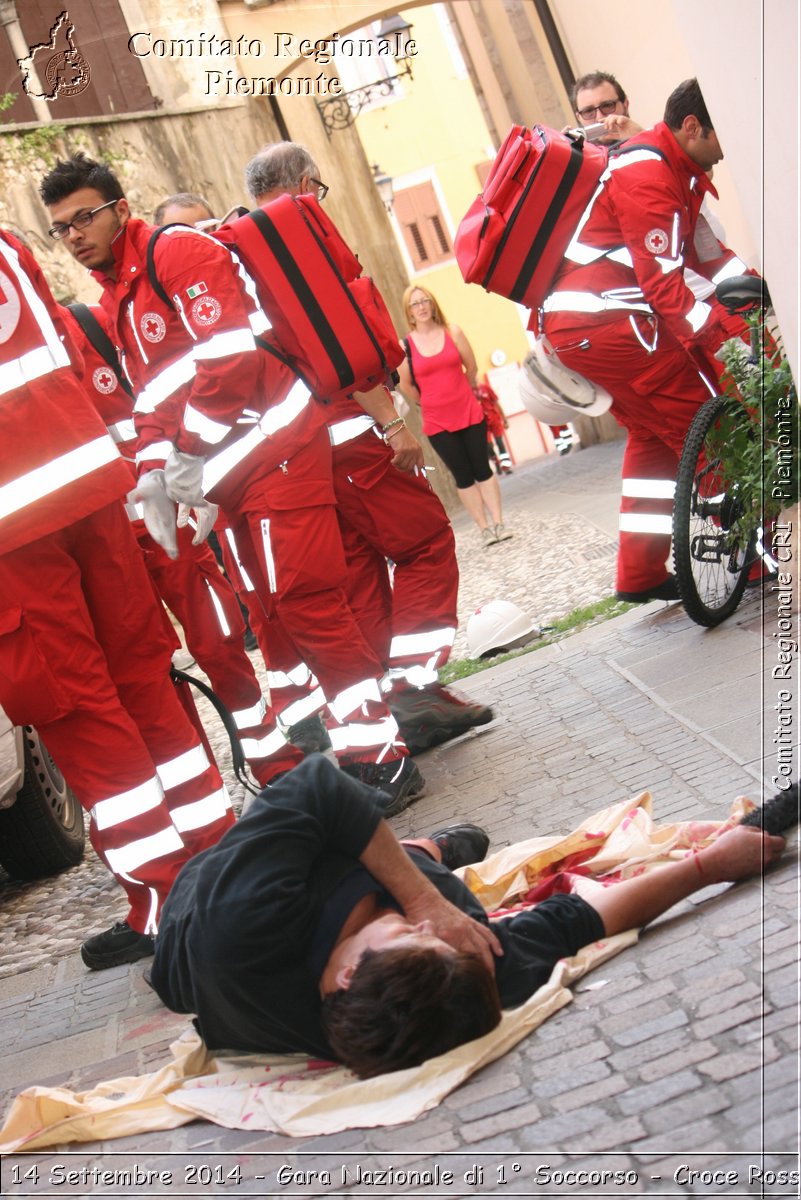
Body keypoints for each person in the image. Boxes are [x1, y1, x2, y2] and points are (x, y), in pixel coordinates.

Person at [40, 152, 424, 813]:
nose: (74, 236)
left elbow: (229, 360)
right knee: (275, 614)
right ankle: (348, 752)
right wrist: (158, 468)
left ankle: (383, 756)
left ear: (120, 210)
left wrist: (183, 454)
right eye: (61, 228)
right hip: (236, 475)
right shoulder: (121, 298)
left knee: (308, 603)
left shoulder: (176, 254)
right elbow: (152, 399)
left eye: (84, 218)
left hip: (277, 452)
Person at [150, 753, 786, 1079]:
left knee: (358, 840)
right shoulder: (465, 973)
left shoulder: (242, 921)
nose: (432, 929)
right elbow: (581, 921)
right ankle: (426, 854)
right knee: (451, 898)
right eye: (424, 933)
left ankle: (422, 852)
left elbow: (314, 784)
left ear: (347, 976)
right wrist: (712, 867)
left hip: (199, 917)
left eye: (409, 933)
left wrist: (422, 899)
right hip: (315, 906)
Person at [0, 227, 235, 970]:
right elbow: (66, 346)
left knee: (79, 708)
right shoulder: (6, 244)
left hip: (12, 530)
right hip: (89, 488)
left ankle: (167, 899)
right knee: (141, 677)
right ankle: (218, 858)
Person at [241, 141, 494, 755]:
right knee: (426, 543)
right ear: (304, 184)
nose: (320, 200)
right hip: (351, 428)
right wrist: (392, 422)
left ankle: (394, 700)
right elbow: (338, 347)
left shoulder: (236, 250)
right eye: (319, 189)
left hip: (299, 452)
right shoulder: (293, 239)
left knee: (359, 577)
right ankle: (414, 687)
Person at [62, 300, 301, 788]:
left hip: (167, 518)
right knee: (150, 671)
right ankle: (202, 790)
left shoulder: (90, 324)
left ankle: (276, 766)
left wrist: (189, 475)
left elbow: (162, 396)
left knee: (218, 643)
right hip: (103, 547)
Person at [542, 78, 752, 603]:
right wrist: (729, 343)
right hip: (612, 326)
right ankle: (751, 555)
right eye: (722, 132)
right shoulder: (648, 172)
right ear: (692, 127)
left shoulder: (676, 167)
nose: (730, 147)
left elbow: (705, 258)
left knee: (653, 439)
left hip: (586, 329)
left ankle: (639, 572)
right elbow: (664, 287)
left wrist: (753, 295)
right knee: (703, 424)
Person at [397, 286, 513, 548]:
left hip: (468, 410)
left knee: (482, 468)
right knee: (462, 476)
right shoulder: (404, 346)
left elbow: (471, 367)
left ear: (433, 304)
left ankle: (498, 522)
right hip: (437, 421)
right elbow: (406, 386)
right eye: (415, 304)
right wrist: (430, 401)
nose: (422, 306)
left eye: (426, 300)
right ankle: (484, 528)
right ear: (409, 312)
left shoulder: (453, 332)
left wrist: (460, 391)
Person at [569, 70, 642, 146]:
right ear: (578, 118)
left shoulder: (651, 142)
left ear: (625, 105)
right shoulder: (577, 155)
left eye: (607, 105)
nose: (599, 118)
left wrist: (642, 138)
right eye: (588, 111)